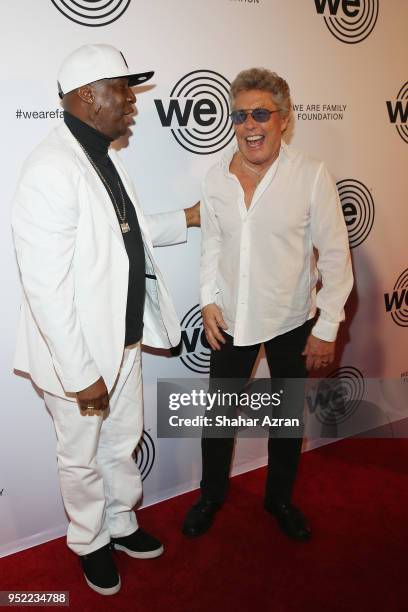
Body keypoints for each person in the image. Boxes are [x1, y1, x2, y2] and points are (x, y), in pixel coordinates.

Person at [12, 44, 199, 596]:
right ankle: (90, 540)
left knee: (121, 443)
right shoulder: (51, 168)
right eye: (122, 90)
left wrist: (187, 218)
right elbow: (44, 287)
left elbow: (126, 232)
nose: (132, 103)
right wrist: (80, 373)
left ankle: (120, 523)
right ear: (87, 97)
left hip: (123, 339)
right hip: (80, 355)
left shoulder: (102, 155)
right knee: (82, 456)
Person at [182, 68, 353, 541]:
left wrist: (327, 327)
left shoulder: (312, 175)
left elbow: (336, 254)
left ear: (284, 119)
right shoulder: (215, 176)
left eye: (261, 113)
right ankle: (211, 494)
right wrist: (208, 301)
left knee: (286, 419)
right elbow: (212, 245)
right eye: (240, 115)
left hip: (290, 320)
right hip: (230, 319)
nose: (249, 125)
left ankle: (279, 498)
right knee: (219, 418)